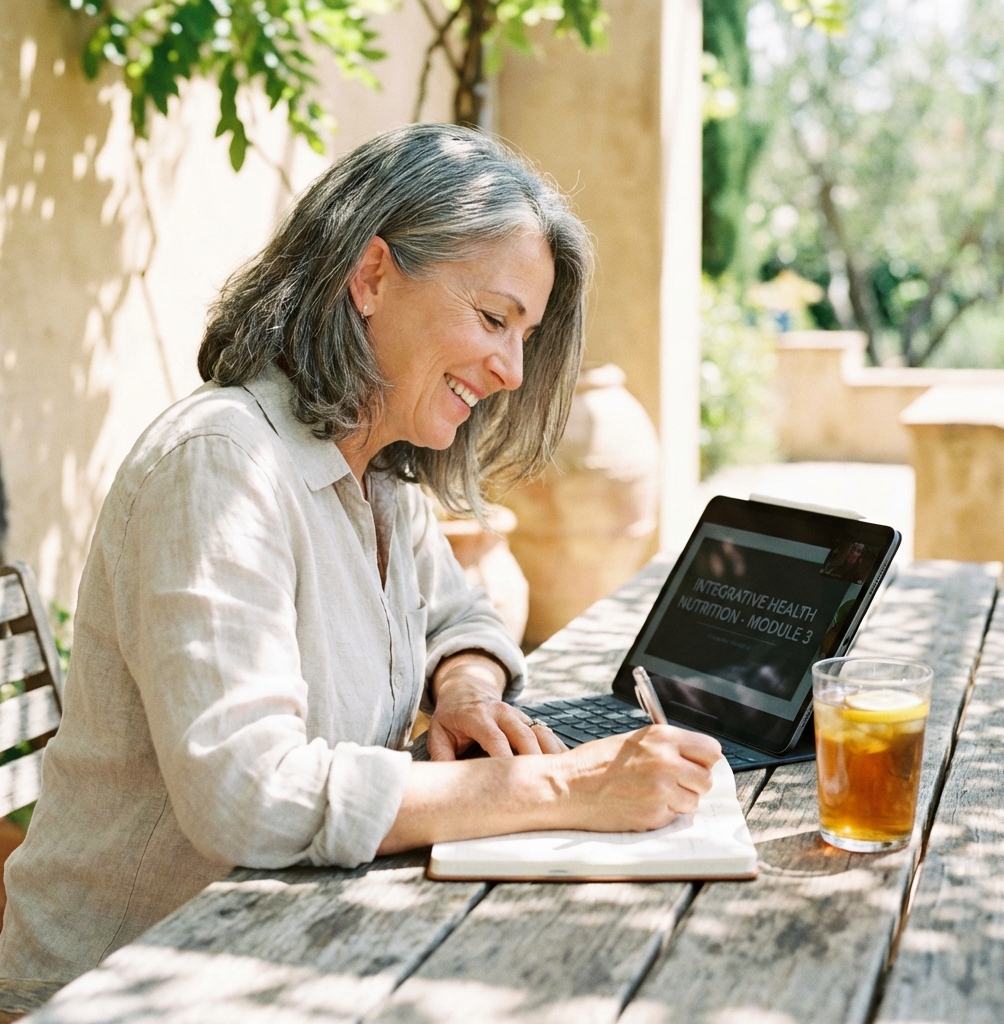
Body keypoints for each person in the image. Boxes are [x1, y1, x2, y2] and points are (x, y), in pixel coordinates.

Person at [0, 125, 720, 983]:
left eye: (524, 333)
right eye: (494, 318)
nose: (513, 370)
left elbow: (465, 615)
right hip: (126, 985)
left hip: (290, 947)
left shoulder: (376, 478)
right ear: (372, 275)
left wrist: (466, 688)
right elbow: (249, 792)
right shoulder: (222, 465)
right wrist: (565, 788)